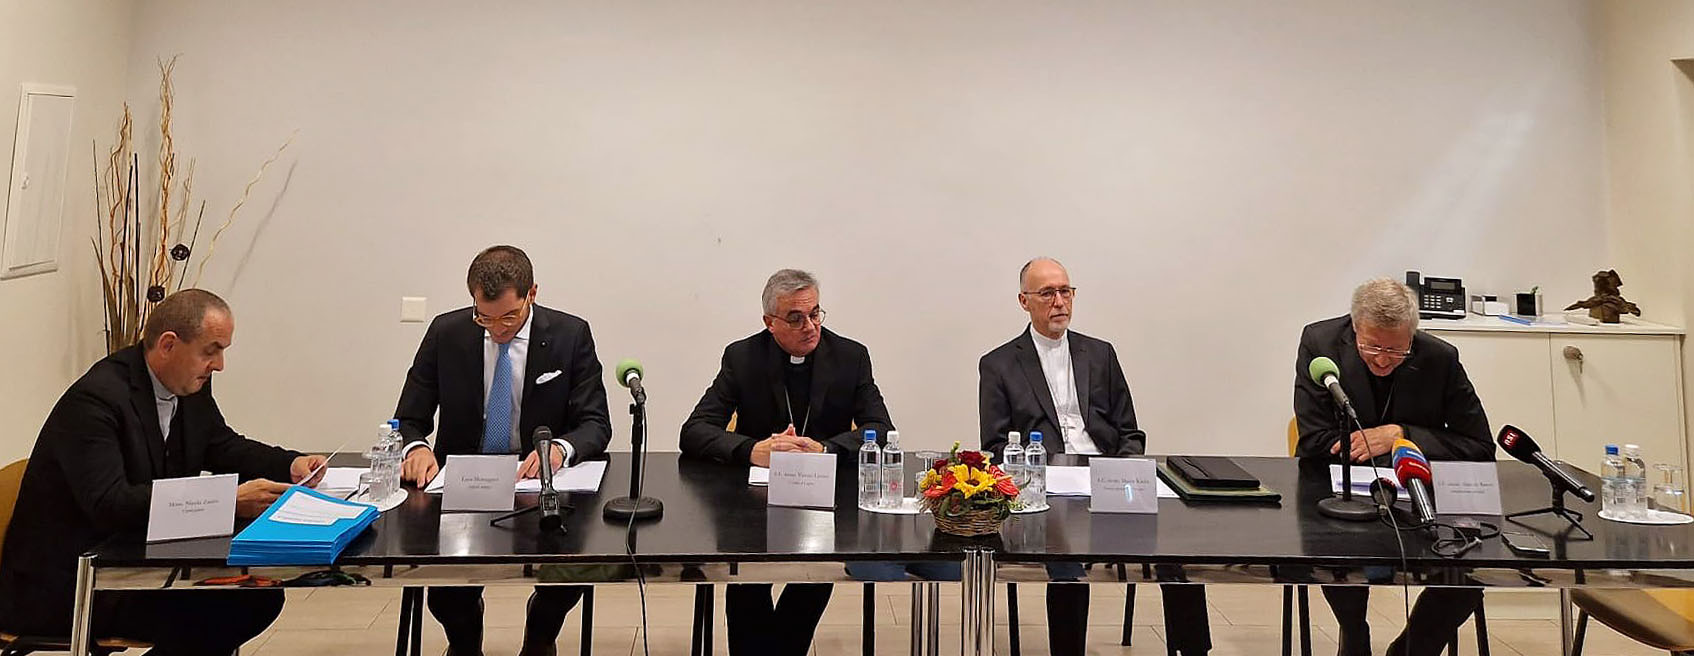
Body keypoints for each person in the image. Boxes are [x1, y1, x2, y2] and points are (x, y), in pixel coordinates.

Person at [0, 289, 326, 654]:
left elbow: (219, 444)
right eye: (211, 350)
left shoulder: (188, 384)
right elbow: (110, 502)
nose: (219, 365)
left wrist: (290, 464)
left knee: (257, 597)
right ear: (169, 344)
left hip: (133, 561)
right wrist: (226, 502)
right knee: (224, 611)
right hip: (65, 582)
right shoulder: (96, 400)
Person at [979, 257, 1212, 656]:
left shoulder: (1100, 354)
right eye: (1047, 293)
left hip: (1107, 475)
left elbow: (1129, 431)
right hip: (1048, 486)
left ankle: (1193, 650)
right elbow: (997, 445)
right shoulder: (999, 364)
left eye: (1065, 291)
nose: (1059, 302)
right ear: (1023, 301)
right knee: (1066, 560)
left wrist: (1126, 470)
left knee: (1176, 546)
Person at [394, 245, 612, 656]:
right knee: (446, 590)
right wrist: (417, 447)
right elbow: (410, 415)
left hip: (540, 478)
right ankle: (464, 640)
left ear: (532, 293)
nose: (496, 329)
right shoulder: (447, 333)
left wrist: (560, 449)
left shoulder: (569, 334)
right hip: (465, 477)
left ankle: (542, 631)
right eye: (485, 317)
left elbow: (595, 423)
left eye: (508, 317)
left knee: (571, 569)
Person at [681, 269, 895, 656]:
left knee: (815, 571)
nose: (809, 326)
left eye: (815, 313)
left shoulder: (850, 356)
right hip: (753, 504)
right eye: (796, 318)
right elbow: (694, 430)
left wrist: (826, 449)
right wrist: (752, 449)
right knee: (746, 576)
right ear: (770, 323)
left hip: (824, 501)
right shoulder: (742, 356)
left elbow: (880, 428)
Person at [1294, 278, 1493, 656]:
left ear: (1412, 337)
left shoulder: (1440, 358)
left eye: (1396, 350)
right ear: (1354, 328)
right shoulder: (1320, 345)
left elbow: (1480, 446)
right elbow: (1312, 439)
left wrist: (1402, 436)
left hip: (1420, 498)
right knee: (1334, 549)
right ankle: (1354, 633)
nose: (1383, 359)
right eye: (1371, 346)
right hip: (1344, 494)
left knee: (1473, 567)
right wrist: (1362, 447)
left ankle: (1411, 648)